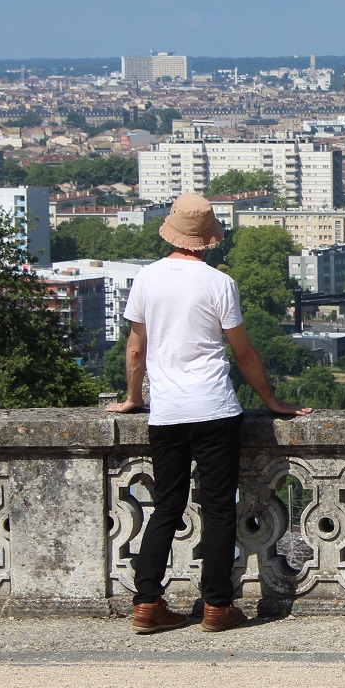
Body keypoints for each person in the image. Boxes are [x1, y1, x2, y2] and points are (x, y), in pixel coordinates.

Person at [105, 193, 312, 634]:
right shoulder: (218, 283)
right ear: (208, 239)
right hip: (214, 408)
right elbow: (243, 352)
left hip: (167, 411)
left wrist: (131, 397)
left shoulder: (147, 279)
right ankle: (217, 606)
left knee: (165, 508)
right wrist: (273, 401)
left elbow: (136, 347)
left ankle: (147, 603)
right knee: (218, 510)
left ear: (172, 232)